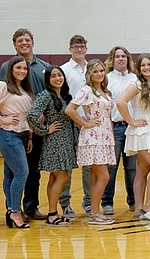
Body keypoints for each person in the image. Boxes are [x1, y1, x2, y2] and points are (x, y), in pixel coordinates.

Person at [0, 28, 52, 221]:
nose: (24, 43)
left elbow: (50, 94)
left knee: (32, 170)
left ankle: (31, 207)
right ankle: (13, 208)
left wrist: (44, 117)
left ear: (32, 42)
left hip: (35, 128)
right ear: (14, 44)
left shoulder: (44, 67)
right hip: (14, 128)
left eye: (27, 40)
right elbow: (1, 96)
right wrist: (3, 119)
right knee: (14, 171)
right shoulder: (7, 66)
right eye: (19, 40)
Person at [0, 56, 34, 228]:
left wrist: (30, 137)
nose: (22, 71)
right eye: (18, 68)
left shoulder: (23, 88)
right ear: (11, 69)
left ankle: (11, 210)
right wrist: (2, 119)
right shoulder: (2, 85)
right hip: (8, 135)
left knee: (11, 175)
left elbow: (27, 116)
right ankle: (16, 212)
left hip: (22, 135)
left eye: (24, 68)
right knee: (22, 173)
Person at [117, 54, 150, 221]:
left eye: (149, 65)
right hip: (143, 130)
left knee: (142, 170)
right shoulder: (136, 85)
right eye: (143, 65)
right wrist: (131, 121)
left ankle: (138, 208)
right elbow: (120, 102)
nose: (147, 68)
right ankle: (149, 206)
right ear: (138, 68)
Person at [66, 59, 116, 225]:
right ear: (89, 74)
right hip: (93, 137)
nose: (99, 74)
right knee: (104, 176)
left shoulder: (105, 92)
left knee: (96, 177)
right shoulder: (86, 90)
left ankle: (94, 212)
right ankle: (94, 212)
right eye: (95, 71)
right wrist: (85, 123)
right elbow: (69, 109)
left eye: (101, 71)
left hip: (105, 136)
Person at [26, 66, 77, 226]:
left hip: (66, 140)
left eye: (59, 75)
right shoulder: (45, 95)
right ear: (48, 80)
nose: (57, 78)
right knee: (63, 177)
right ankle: (52, 214)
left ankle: (52, 212)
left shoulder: (65, 96)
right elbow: (31, 115)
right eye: (53, 76)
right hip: (55, 141)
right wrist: (45, 130)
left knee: (55, 177)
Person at [103, 46, 139, 214]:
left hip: (132, 128)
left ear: (128, 59)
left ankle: (133, 201)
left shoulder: (135, 78)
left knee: (132, 168)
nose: (121, 59)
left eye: (123, 56)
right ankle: (107, 202)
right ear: (112, 59)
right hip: (114, 128)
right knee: (112, 167)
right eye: (117, 56)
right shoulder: (107, 78)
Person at [58, 34, 88, 218]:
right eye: (75, 46)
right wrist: (75, 120)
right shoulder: (64, 70)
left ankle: (89, 202)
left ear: (86, 48)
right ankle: (65, 204)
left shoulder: (93, 68)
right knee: (67, 166)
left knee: (89, 166)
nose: (79, 49)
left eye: (82, 46)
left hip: (90, 125)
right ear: (70, 49)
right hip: (70, 123)